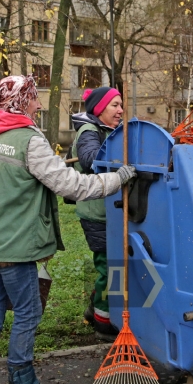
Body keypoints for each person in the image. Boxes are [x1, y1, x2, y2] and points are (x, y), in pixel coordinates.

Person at [0, 75, 136, 384]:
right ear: (20, 101)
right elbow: (70, 186)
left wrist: (6, 197)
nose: (38, 104)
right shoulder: (30, 140)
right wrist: (119, 178)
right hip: (15, 248)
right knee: (27, 312)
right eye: (32, 98)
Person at [70, 86, 124, 342]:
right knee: (108, 267)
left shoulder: (109, 131)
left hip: (111, 212)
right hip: (97, 214)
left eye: (121, 104)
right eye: (114, 105)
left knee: (115, 265)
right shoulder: (89, 131)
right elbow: (91, 159)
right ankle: (104, 324)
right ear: (100, 109)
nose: (120, 110)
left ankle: (95, 308)